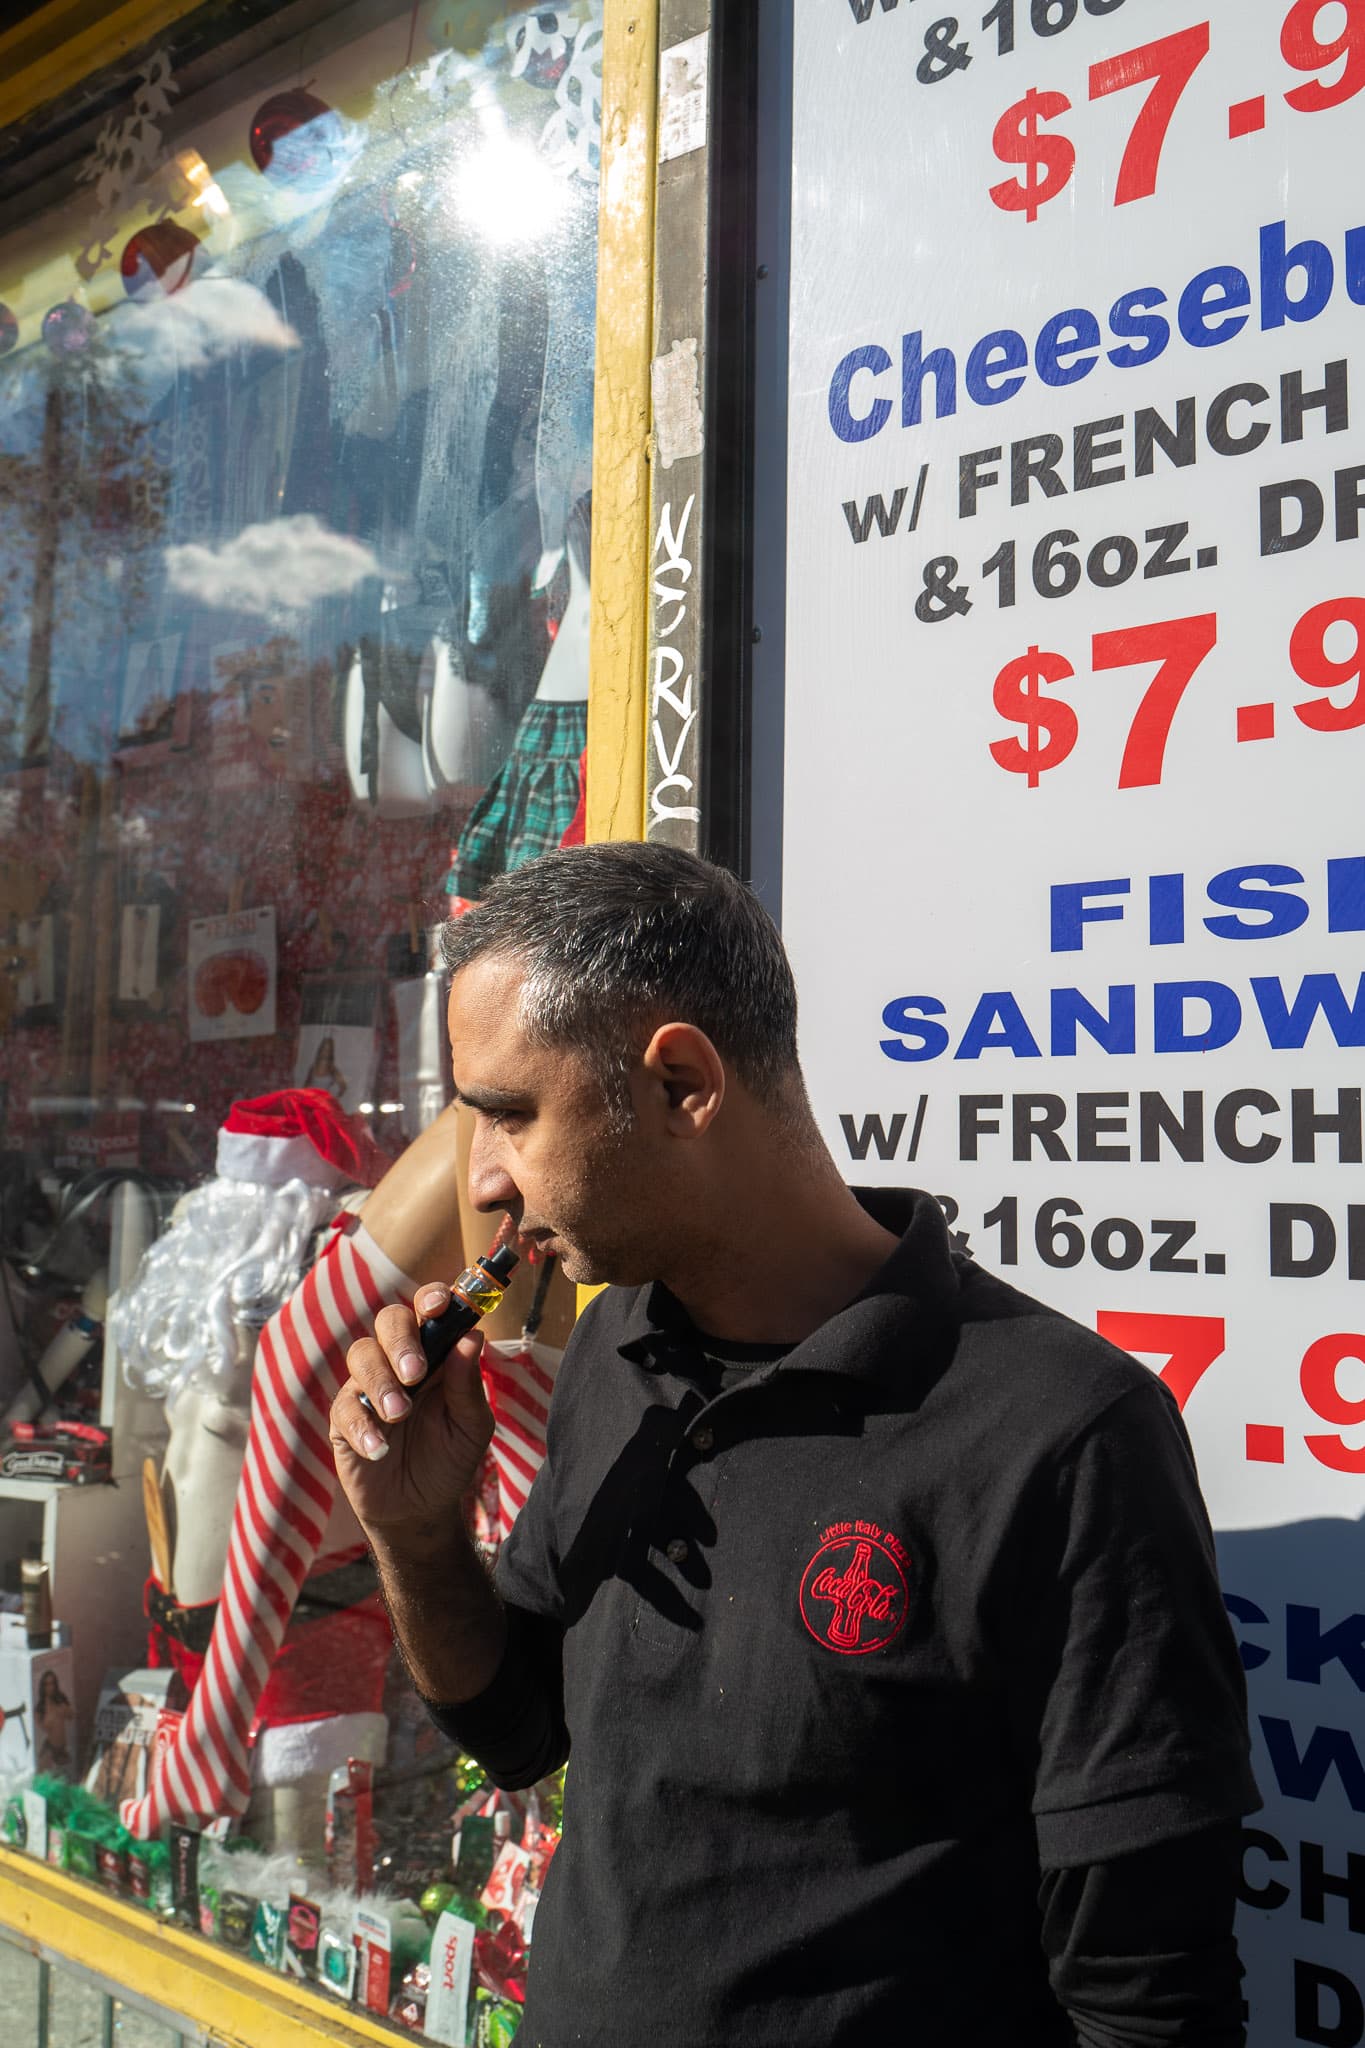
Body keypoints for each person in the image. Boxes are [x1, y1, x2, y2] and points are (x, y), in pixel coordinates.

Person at [331, 841, 1260, 2048]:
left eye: (510, 1114)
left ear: (682, 1085)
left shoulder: (1063, 1434)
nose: (488, 1180)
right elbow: (516, 1730)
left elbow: (1151, 2006)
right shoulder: (612, 1350)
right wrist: (413, 1529)